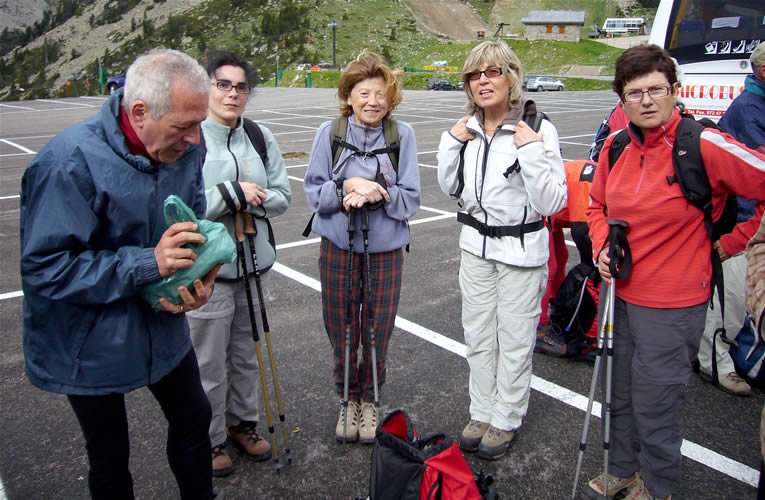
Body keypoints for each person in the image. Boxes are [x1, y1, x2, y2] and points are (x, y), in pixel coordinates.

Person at [20, 49, 218, 499]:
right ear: (140, 112)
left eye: (198, 124)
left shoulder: (188, 146)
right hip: (89, 336)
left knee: (193, 418)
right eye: (183, 126)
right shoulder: (67, 162)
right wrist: (149, 262)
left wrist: (201, 277)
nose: (195, 139)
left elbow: (194, 220)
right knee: (109, 453)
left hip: (161, 321)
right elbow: (45, 268)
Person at [584, 44, 765, 499]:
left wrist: (733, 244)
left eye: (655, 90)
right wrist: (603, 244)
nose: (646, 101)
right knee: (619, 391)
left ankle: (660, 485)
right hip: (620, 295)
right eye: (634, 93)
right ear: (621, 100)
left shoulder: (700, 143)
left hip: (674, 302)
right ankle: (622, 468)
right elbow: (597, 206)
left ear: (673, 91)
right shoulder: (616, 146)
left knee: (657, 401)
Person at [437, 40, 567, 461]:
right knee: (477, 335)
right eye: (475, 74)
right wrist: (450, 144)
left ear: (512, 77)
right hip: (475, 248)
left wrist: (529, 149)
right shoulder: (468, 129)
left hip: (521, 252)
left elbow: (552, 202)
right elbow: (450, 187)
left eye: (493, 72)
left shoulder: (538, 127)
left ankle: (506, 417)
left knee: (513, 338)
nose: (482, 81)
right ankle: (480, 411)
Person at [303, 50, 420, 444]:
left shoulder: (401, 135)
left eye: (380, 94)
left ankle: (370, 399)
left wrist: (379, 192)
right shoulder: (330, 132)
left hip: (385, 250)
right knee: (340, 326)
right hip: (338, 246)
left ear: (391, 98)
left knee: (377, 327)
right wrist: (348, 186)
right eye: (364, 93)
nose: (373, 101)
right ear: (349, 96)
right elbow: (315, 193)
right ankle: (346, 398)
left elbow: (411, 199)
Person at [187, 51, 291, 476]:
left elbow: (282, 194)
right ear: (207, 87)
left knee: (247, 355)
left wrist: (257, 198)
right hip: (209, 272)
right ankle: (209, 440)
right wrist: (229, 195)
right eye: (223, 84)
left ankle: (242, 424)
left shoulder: (259, 136)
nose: (232, 93)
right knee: (207, 362)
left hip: (253, 264)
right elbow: (182, 207)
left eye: (240, 86)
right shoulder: (191, 138)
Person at [696, 41, 765, 396]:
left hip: (743, 225)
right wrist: (739, 238)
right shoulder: (749, 109)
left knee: (733, 302)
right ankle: (715, 361)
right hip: (741, 227)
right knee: (729, 301)